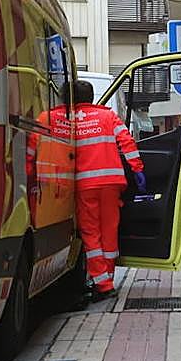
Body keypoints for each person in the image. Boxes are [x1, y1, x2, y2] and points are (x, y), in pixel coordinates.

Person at [63, 79, 146, 301]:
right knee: (110, 229)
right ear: (91, 97)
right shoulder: (108, 116)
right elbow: (127, 141)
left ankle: (102, 283)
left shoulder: (67, 120)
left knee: (91, 233)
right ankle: (107, 277)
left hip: (84, 185)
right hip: (112, 182)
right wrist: (137, 169)